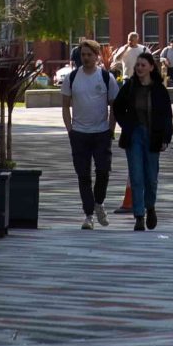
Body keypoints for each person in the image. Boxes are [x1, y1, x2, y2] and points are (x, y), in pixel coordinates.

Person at [59, 39, 121, 229]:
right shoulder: (72, 77)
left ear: (97, 56)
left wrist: (111, 129)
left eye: (89, 55)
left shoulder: (105, 77)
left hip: (101, 133)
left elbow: (114, 106)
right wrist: (70, 130)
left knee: (103, 171)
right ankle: (88, 215)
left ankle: (99, 202)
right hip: (79, 133)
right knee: (83, 175)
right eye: (83, 55)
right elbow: (65, 106)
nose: (85, 58)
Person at [112, 55, 173, 230]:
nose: (139, 68)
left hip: (153, 135)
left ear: (151, 68)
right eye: (137, 65)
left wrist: (165, 138)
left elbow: (167, 116)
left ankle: (150, 207)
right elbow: (117, 107)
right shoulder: (130, 87)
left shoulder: (159, 90)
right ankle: (139, 216)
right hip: (134, 136)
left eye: (143, 65)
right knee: (136, 176)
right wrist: (126, 124)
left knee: (151, 177)